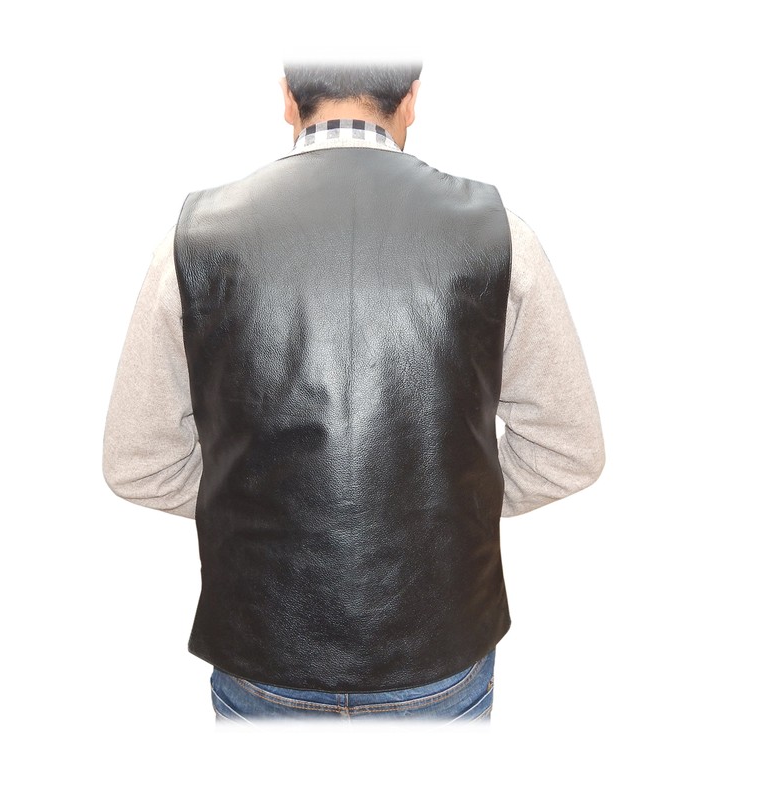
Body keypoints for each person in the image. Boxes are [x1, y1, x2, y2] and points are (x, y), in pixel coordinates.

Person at [102, 61, 605, 725]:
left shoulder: (193, 239)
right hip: (439, 649)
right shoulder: (501, 235)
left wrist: (267, 507)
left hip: (264, 652)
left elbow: (138, 463)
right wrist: (436, 507)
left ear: (288, 98)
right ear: (412, 99)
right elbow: (568, 451)